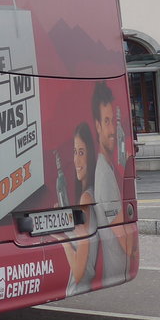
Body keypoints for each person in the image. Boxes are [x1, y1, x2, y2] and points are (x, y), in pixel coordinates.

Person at [90, 81, 130, 284]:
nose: (112, 129)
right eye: (106, 122)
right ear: (97, 126)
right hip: (116, 270)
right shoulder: (104, 175)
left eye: (113, 121)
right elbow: (127, 243)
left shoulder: (107, 167)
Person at [62, 122, 100, 294]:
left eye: (82, 152)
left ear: (90, 156)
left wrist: (62, 242)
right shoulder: (89, 194)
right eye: (75, 152)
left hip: (77, 286)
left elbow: (78, 273)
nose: (76, 159)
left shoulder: (86, 198)